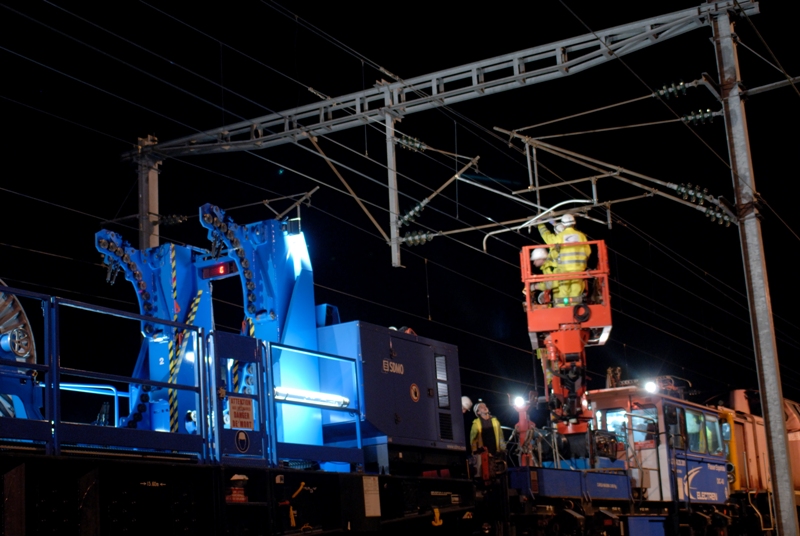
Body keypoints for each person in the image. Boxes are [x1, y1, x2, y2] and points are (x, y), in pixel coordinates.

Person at [537, 214, 591, 306]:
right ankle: (575, 312)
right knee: (575, 293)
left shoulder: (560, 236)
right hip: (578, 271)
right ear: (574, 223)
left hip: (564, 271)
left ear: (564, 224)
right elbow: (588, 251)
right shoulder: (581, 236)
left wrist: (540, 225)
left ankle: (563, 311)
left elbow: (549, 239)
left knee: (563, 294)